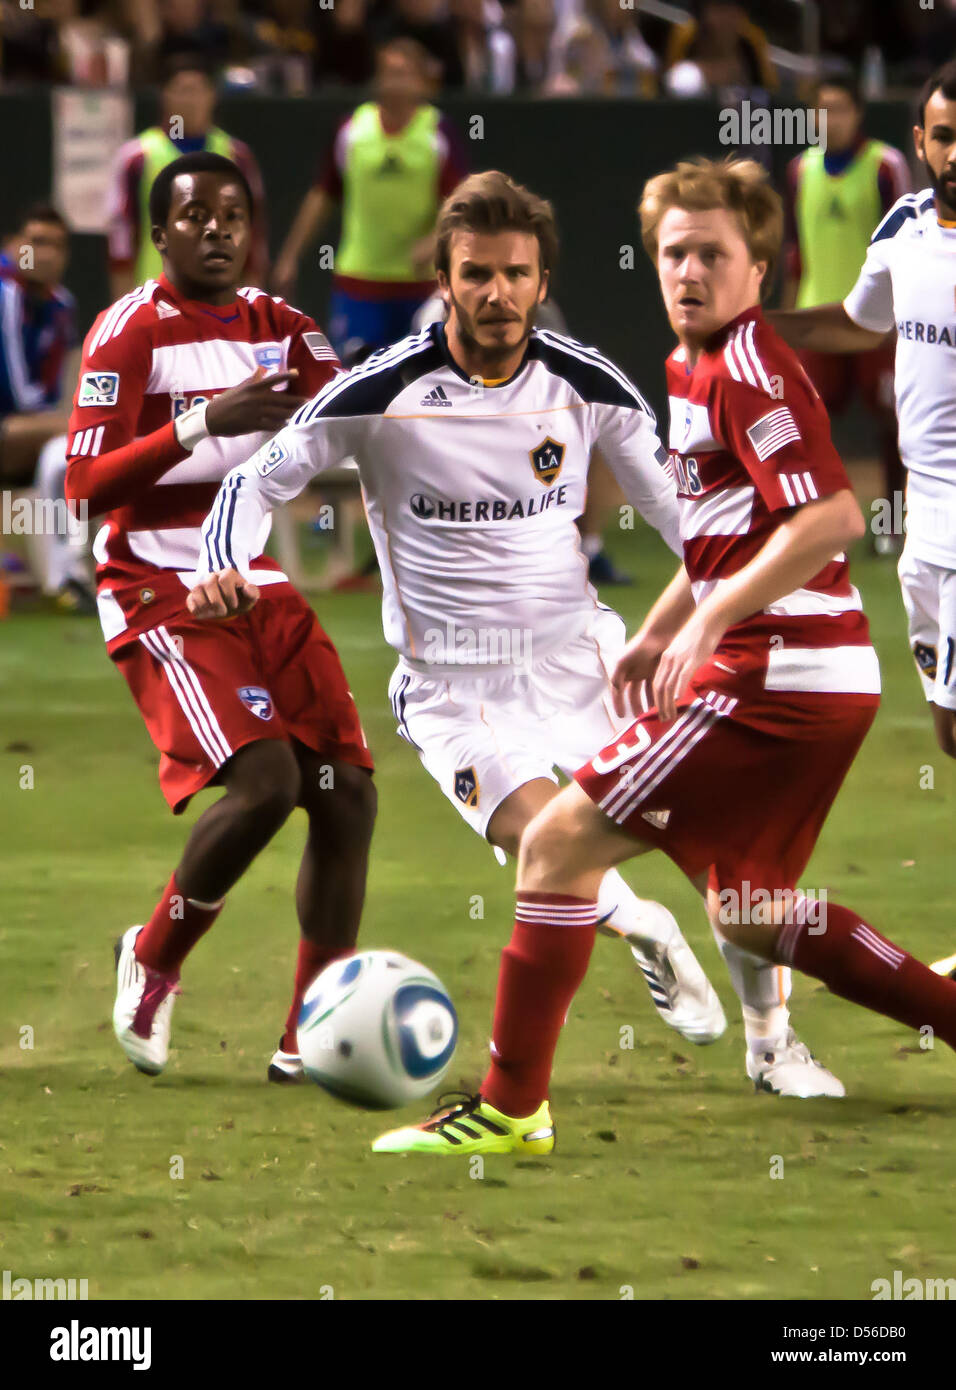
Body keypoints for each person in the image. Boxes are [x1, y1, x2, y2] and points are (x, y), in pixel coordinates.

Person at [190, 168, 884, 1096]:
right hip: (448, 686)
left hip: (583, 662)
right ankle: (641, 925)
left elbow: (694, 519)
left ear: (542, 280)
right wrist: (221, 563)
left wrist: (748, 610)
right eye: (476, 273)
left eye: (516, 274)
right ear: (445, 279)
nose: (496, 293)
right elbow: (255, 481)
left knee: (728, 859)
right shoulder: (379, 389)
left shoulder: (588, 383)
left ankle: (775, 1046)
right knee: (539, 838)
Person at [365, 156, 956, 1156]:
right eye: (671, 253)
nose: (686, 271)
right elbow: (727, 529)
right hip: (814, 676)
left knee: (554, 848)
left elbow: (828, 517)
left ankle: (510, 1110)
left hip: (778, 676)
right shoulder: (690, 363)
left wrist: (707, 619)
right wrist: (662, 620)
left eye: (710, 253)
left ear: (758, 263)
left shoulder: (748, 366)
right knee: (753, 908)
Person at [63, 152, 376, 1079]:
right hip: (155, 583)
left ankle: (309, 1035)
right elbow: (82, 486)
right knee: (269, 782)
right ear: (160, 234)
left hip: (254, 578)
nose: (216, 228)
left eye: (234, 214)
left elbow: (355, 422)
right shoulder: (127, 331)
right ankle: (153, 959)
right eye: (195, 214)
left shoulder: (285, 328)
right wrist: (204, 422)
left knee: (347, 794)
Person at [770, 62, 956, 765]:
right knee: (947, 730)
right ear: (921, 141)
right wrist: (756, 325)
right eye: (944, 136)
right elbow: (855, 321)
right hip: (927, 526)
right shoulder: (905, 229)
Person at [271, 38, 467, 365]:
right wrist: (291, 255)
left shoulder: (438, 132)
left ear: (421, 81)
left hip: (420, 287)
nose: (394, 82)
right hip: (359, 285)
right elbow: (323, 194)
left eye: (403, 74)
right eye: (387, 73)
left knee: (422, 380)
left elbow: (461, 204)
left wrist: (434, 241)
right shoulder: (352, 130)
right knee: (354, 376)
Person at [782, 74, 910, 556]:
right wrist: (790, 323)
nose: (829, 120)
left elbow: (906, 244)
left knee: (892, 425)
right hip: (819, 323)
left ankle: (891, 525)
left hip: (876, 323)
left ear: (858, 112)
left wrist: (901, 318)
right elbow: (794, 252)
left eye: (839, 108)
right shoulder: (799, 169)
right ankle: (819, 526)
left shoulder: (885, 165)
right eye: (821, 109)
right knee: (807, 424)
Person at [106, 53, 268, 301]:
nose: (191, 99)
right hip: (155, 296)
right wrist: (123, 299)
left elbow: (252, 231)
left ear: (212, 96)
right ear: (165, 96)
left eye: (198, 90)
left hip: (220, 297)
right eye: (182, 90)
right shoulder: (136, 157)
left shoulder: (237, 156)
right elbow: (121, 235)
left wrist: (252, 292)